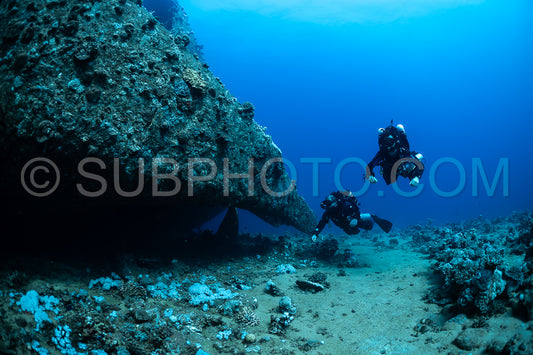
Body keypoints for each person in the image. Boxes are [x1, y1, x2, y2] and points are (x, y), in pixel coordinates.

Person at [311, 191, 392, 242]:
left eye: (333, 203)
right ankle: (355, 225)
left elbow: (356, 210)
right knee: (351, 232)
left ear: (336, 201)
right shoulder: (328, 212)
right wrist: (315, 233)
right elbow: (322, 223)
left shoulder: (345, 205)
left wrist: (356, 219)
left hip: (352, 219)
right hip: (344, 224)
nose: (332, 206)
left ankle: (373, 217)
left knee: (369, 226)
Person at [365, 122, 425, 187]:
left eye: (390, 141)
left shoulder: (402, 150)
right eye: (386, 142)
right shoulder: (383, 153)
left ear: (395, 141)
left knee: (412, 169)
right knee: (390, 180)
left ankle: (402, 133)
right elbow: (369, 166)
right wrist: (370, 176)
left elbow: (420, 165)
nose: (389, 146)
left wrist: (416, 177)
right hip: (390, 168)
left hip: (402, 166)